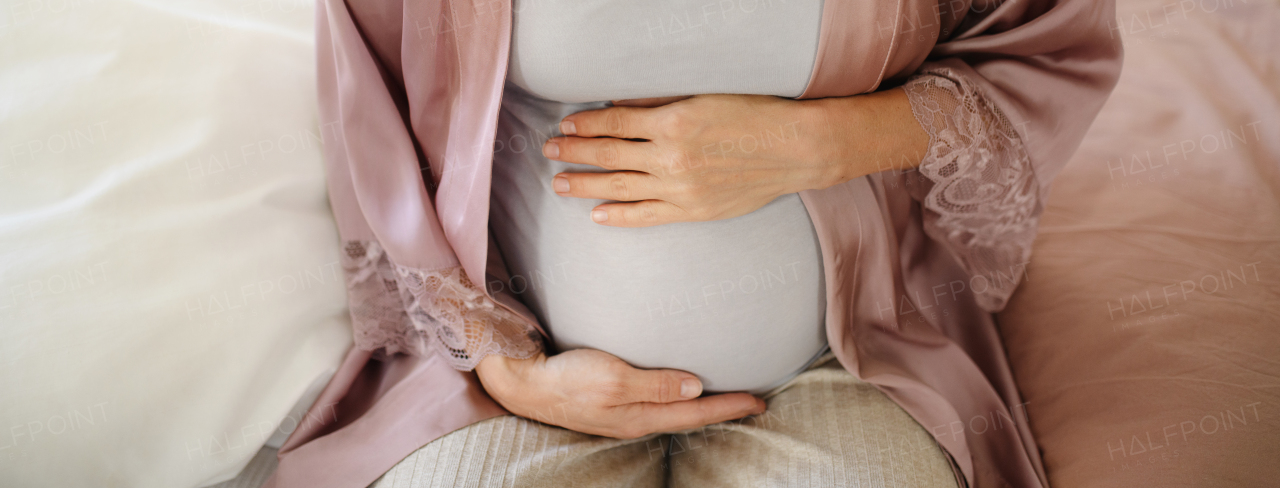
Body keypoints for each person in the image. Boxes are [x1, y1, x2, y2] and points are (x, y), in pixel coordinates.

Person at [265, 1, 1122, 487]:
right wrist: (502, 365)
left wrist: (819, 145)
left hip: (845, 357)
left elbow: (1047, 53)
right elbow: (369, 106)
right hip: (511, 368)